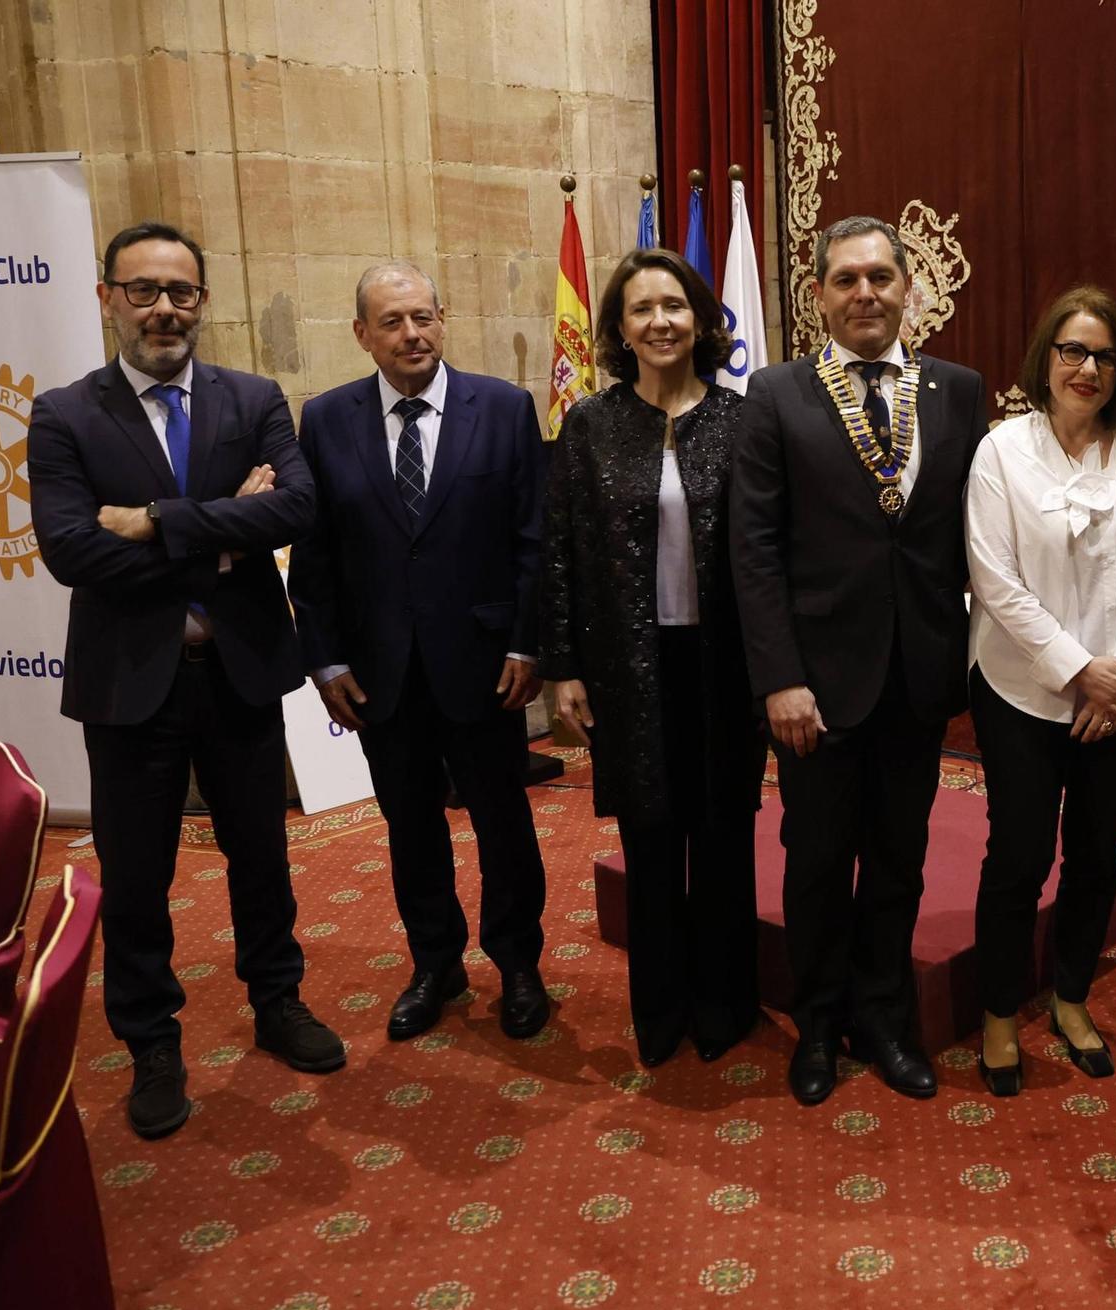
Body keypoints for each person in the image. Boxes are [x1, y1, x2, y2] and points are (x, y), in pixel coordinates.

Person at [28, 221, 343, 1140]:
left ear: (203, 301)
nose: (164, 308)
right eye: (144, 290)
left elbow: (296, 506)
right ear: (107, 299)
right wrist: (220, 535)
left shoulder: (253, 399)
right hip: (130, 685)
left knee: (262, 853)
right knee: (137, 874)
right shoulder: (65, 413)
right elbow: (70, 550)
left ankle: (277, 1002)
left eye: (182, 291)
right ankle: (152, 1044)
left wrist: (154, 521)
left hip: (239, 674)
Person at [731, 215, 990, 1106]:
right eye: (847, 280)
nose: (866, 293)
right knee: (814, 861)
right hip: (815, 684)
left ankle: (884, 1018)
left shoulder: (957, 390)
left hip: (917, 672)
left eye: (881, 277)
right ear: (819, 296)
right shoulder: (775, 394)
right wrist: (779, 677)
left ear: (908, 288)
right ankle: (819, 1024)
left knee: (897, 857)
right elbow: (753, 548)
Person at [288, 260, 551, 1043]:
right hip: (380, 673)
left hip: (483, 666)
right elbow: (316, 548)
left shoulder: (504, 409)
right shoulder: (326, 419)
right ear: (363, 333)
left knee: (505, 822)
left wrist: (526, 642)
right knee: (410, 825)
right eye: (393, 322)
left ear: (444, 317)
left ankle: (519, 962)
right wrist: (325, 659)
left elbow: (533, 541)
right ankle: (435, 961)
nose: (413, 334)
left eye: (423, 317)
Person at [540, 248, 765, 1067]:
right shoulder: (590, 425)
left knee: (723, 839)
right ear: (619, 329)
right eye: (641, 309)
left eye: (675, 306)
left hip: (726, 665)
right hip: (628, 667)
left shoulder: (744, 421)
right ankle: (660, 1012)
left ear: (703, 320)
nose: (660, 321)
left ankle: (724, 1006)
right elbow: (559, 551)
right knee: (651, 839)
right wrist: (562, 665)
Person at [964, 286, 1116, 1095]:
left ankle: (1069, 995)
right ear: (1045, 359)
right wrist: (1076, 669)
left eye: (1103, 355)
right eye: (1072, 351)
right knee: (1017, 855)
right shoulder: (1001, 450)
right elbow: (994, 579)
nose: (1086, 368)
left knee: (1096, 856)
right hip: (1022, 689)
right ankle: (996, 1010)